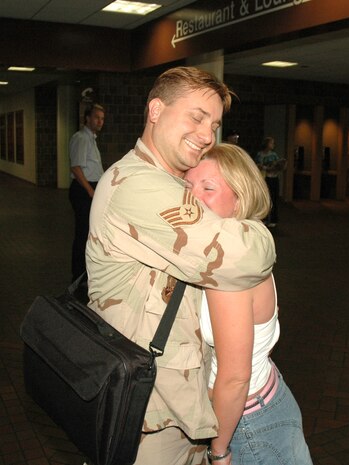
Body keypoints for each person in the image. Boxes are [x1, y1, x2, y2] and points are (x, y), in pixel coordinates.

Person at [86, 66, 276, 465]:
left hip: (176, 407)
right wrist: (256, 224)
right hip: (147, 418)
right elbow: (240, 257)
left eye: (215, 124)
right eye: (196, 117)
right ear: (156, 110)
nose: (208, 135)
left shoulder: (173, 182)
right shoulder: (138, 185)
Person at [185, 143, 312, 465]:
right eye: (188, 185)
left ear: (239, 199)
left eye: (208, 187)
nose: (192, 196)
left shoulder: (231, 263)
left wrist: (219, 450)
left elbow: (234, 377)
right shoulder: (234, 247)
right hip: (263, 401)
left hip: (249, 424)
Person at [69, 103, 105, 282]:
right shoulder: (81, 138)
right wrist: (91, 191)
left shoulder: (91, 138)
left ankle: (85, 272)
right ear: (87, 119)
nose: (100, 121)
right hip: (83, 190)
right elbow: (76, 168)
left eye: (102, 118)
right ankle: (78, 275)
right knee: (83, 233)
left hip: (90, 189)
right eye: (97, 117)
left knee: (89, 232)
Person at [255, 136, 286, 228]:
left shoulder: (274, 155)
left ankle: (273, 219)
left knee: (274, 199)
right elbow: (257, 165)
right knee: (264, 199)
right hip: (265, 178)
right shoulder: (260, 154)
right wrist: (266, 167)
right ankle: (263, 218)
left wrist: (278, 166)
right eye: (271, 143)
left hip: (274, 178)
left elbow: (279, 165)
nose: (273, 145)